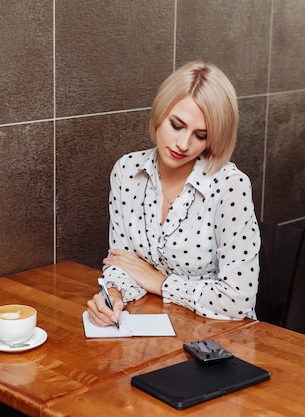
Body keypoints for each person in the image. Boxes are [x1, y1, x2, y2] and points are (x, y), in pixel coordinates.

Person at [86, 61, 260, 328]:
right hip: (152, 332)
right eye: (176, 125)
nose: (183, 144)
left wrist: (159, 283)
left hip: (219, 338)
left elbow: (238, 300)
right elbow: (122, 263)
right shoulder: (127, 171)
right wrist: (112, 295)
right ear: (160, 112)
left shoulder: (230, 186)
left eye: (200, 135)